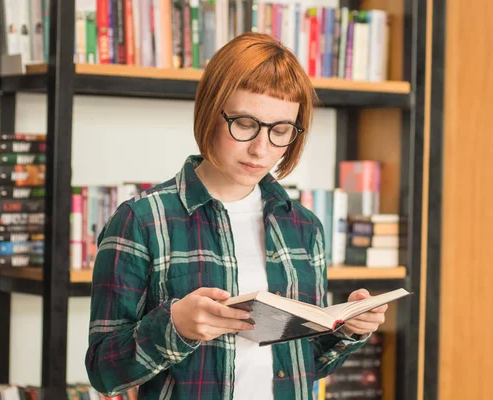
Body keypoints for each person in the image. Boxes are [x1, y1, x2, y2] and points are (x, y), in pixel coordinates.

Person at [85, 32, 388, 399]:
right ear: (212, 112)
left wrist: (348, 329)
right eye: (245, 124)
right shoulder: (142, 221)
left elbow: (304, 363)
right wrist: (174, 326)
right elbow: (104, 372)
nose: (261, 149)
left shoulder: (304, 227)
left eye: (281, 131)